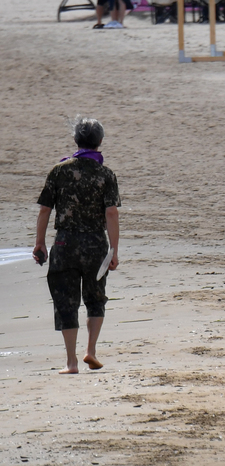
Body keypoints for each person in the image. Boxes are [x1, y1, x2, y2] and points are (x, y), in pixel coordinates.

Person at [32, 117, 120, 374]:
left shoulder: (59, 171)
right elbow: (111, 213)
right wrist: (113, 250)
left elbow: (45, 210)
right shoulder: (106, 174)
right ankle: (90, 351)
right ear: (100, 142)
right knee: (95, 299)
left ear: (75, 140)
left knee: (65, 302)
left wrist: (40, 243)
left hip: (64, 243)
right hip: (95, 243)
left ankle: (71, 362)